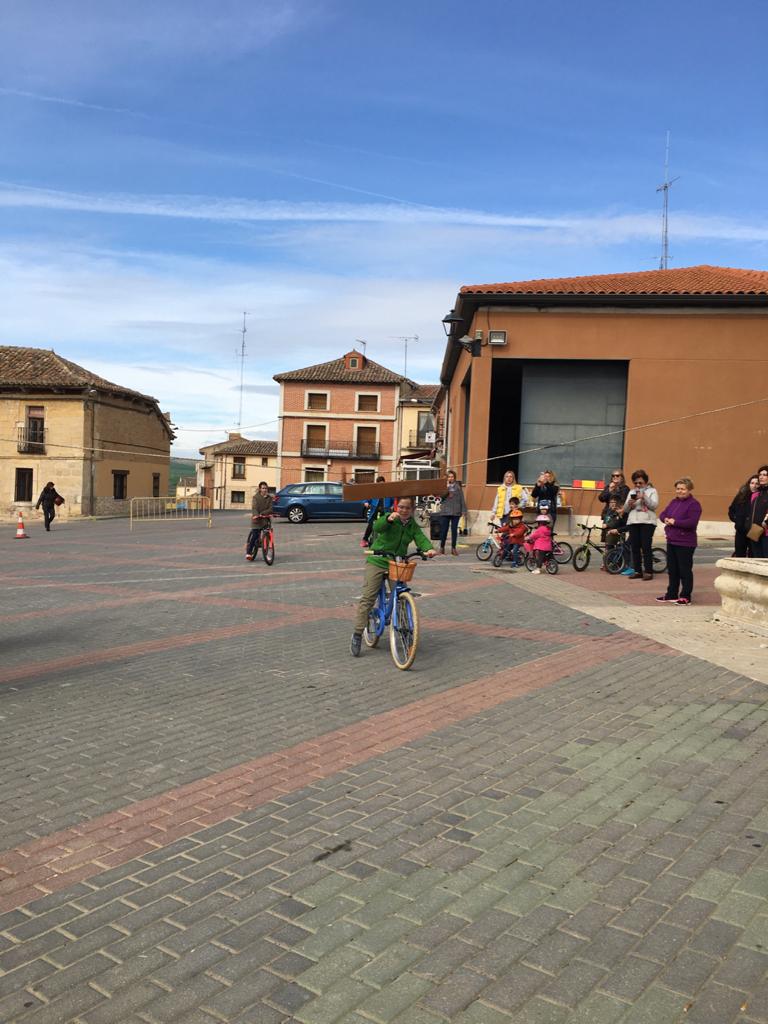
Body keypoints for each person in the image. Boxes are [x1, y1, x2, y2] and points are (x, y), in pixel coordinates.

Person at [350, 496, 436, 657]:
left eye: (407, 508)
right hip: (377, 560)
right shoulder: (390, 518)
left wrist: (428, 549)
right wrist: (388, 519)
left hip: (396, 562)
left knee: (401, 592)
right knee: (368, 598)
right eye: (401, 507)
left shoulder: (412, 525)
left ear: (412, 510)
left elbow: (421, 539)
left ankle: (406, 628)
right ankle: (357, 634)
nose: (404, 510)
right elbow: (378, 527)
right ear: (397, 507)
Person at [656, 478, 703, 605]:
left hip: (685, 542)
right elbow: (662, 514)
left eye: (683, 489)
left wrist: (675, 522)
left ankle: (685, 596)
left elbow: (692, 522)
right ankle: (671, 594)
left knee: (684, 570)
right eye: (678, 488)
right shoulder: (673, 502)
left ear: (689, 490)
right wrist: (665, 518)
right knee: (672, 570)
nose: (680, 491)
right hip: (672, 540)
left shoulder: (694, 504)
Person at [623, 470, 658, 580]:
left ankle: (648, 571)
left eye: (640, 483)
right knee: (635, 547)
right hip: (633, 521)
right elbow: (625, 509)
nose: (638, 485)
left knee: (646, 547)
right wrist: (629, 504)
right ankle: (637, 571)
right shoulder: (631, 492)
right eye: (636, 483)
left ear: (646, 482)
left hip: (647, 522)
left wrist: (644, 497)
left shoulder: (652, 491)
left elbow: (654, 506)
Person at [729, 474, 759, 557]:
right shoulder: (741, 496)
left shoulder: (760, 497)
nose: (754, 486)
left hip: (754, 531)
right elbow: (732, 509)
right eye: (752, 483)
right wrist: (736, 520)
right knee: (739, 554)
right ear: (748, 484)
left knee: (752, 555)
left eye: (757, 483)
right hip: (741, 530)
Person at [438, 470, 467, 556]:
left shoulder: (458, 487)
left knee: (454, 531)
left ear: (454, 478)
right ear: (447, 478)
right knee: (444, 530)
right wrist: (446, 490)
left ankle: (453, 548)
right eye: (449, 477)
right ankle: (442, 547)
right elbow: (440, 498)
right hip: (445, 511)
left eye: (452, 477)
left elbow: (462, 498)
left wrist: (464, 510)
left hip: (456, 511)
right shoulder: (443, 486)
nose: (451, 478)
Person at [361, 476, 393, 548]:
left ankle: (388, 542)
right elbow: (365, 499)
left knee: (388, 526)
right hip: (374, 511)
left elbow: (393, 501)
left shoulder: (388, 492)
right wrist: (365, 503)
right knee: (371, 524)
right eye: (380, 484)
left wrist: (392, 506)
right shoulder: (374, 492)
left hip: (385, 512)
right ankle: (364, 539)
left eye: (383, 484)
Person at [246, 481, 273, 560]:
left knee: (268, 537)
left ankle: (267, 554)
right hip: (257, 520)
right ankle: (249, 552)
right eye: (263, 488)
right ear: (260, 489)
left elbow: (271, 509)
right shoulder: (256, 497)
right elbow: (254, 508)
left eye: (265, 488)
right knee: (254, 536)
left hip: (265, 519)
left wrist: (263, 513)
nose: (264, 490)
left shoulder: (270, 498)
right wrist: (257, 515)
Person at [747, 465, 768, 557]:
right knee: (757, 559)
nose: (761, 477)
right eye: (760, 474)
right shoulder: (756, 494)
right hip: (755, 531)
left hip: (766, 532)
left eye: (764, 474)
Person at [601, 498, 627, 571]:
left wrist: (609, 526)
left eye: (620, 508)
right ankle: (609, 564)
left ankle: (620, 565)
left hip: (619, 533)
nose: (618, 510)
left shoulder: (625, 515)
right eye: (611, 502)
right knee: (609, 548)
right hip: (612, 532)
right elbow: (608, 519)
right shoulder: (612, 512)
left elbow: (620, 524)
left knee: (621, 549)